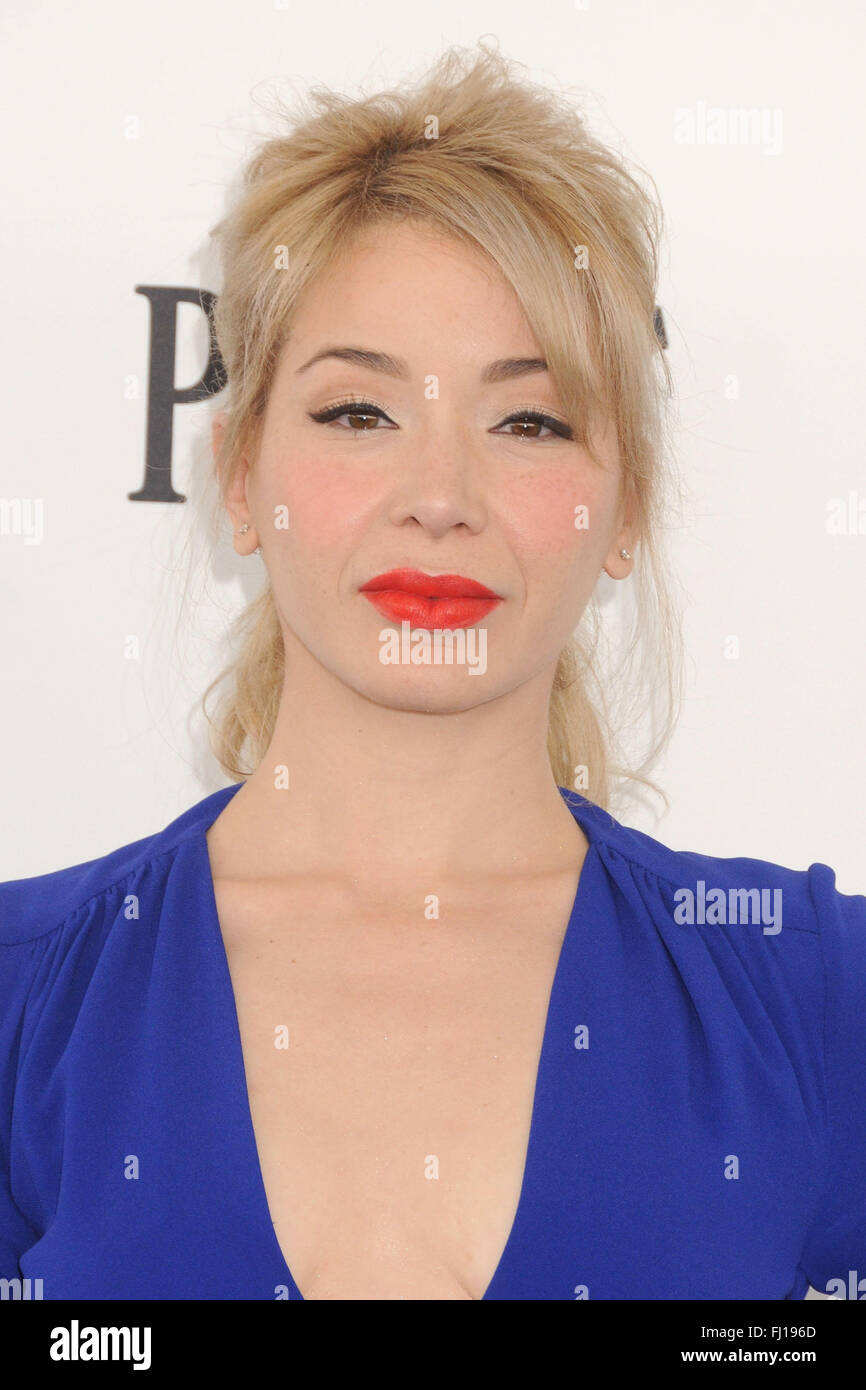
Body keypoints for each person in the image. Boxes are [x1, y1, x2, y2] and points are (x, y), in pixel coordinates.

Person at [1, 41, 864, 1302]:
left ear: (625, 509)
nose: (440, 497)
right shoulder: (27, 995)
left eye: (529, 420)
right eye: (359, 412)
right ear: (240, 477)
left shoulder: (812, 995)